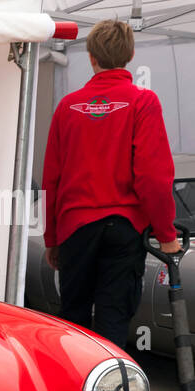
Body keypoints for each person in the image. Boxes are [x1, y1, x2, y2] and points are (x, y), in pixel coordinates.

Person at [42, 19, 180, 349]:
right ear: (131, 54)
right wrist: (167, 236)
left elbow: (53, 178)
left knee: (72, 318)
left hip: (76, 227)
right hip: (123, 228)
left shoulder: (67, 107)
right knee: (113, 318)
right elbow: (153, 176)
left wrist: (52, 238)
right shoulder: (143, 102)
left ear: (91, 56)